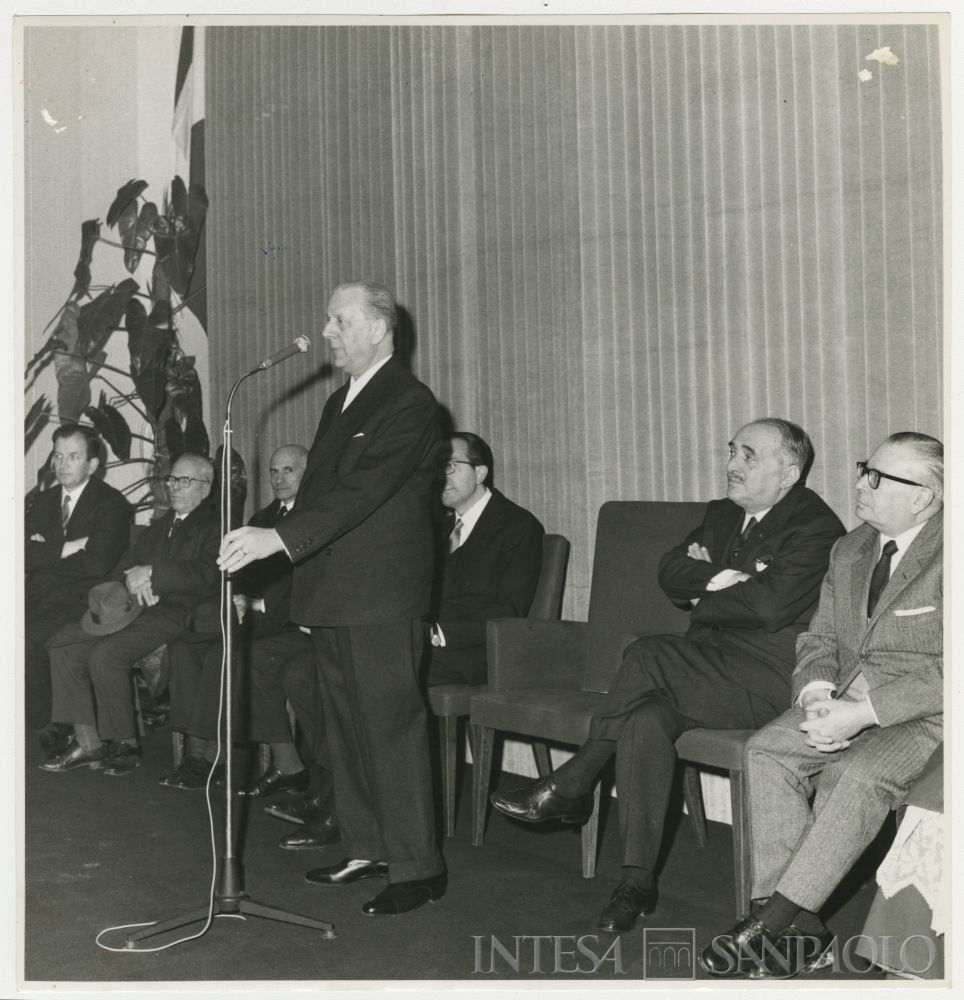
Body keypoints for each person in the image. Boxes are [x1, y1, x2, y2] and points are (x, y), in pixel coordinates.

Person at [490, 418, 845, 932]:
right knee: (644, 721)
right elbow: (670, 573)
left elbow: (769, 608)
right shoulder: (722, 514)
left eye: (749, 455)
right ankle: (636, 881)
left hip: (764, 681)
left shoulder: (816, 527)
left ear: (788, 472)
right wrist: (726, 578)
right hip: (701, 666)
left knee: (650, 651)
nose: (732, 465)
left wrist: (709, 590)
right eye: (732, 451)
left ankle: (576, 778)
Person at [218, 279, 446, 916]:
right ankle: (367, 844)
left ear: (379, 328)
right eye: (328, 321)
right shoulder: (343, 401)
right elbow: (321, 495)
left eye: (339, 321)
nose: (326, 333)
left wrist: (278, 540)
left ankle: (419, 866)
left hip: (381, 595)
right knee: (345, 729)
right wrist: (272, 544)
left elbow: (360, 495)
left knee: (391, 730)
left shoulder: (411, 403)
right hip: (335, 592)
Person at [699, 432, 943, 980]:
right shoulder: (851, 547)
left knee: (853, 775)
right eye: (865, 468)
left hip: (930, 716)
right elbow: (820, 639)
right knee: (767, 750)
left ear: (923, 497)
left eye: (878, 478)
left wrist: (862, 713)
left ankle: (772, 922)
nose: (860, 483)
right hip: (844, 699)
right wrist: (816, 696)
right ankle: (804, 936)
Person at [41, 454, 219, 777]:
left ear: (205, 489)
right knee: (62, 643)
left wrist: (154, 575)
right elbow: (124, 563)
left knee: (106, 655)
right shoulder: (161, 524)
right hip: (136, 607)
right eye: (172, 479)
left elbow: (208, 574)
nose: (174, 487)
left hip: (179, 612)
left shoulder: (215, 526)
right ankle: (88, 742)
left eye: (184, 481)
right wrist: (134, 579)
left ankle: (125, 745)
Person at [160, 445, 313, 791]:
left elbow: (301, 584)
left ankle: (217, 758)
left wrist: (255, 604)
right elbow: (239, 571)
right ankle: (196, 754)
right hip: (253, 617)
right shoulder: (261, 520)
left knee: (222, 653)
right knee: (187, 645)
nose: (279, 478)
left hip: (290, 621)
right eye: (274, 471)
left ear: (308, 472)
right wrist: (237, 598)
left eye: (288, 470)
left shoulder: (313, 519)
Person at [25, 425, 132, 742]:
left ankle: (45, 725)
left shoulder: (112, 504)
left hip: (83, 601)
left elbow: (97, 564)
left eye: (73, 456)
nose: (62, 464)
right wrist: (68, 547)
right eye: (58, 455)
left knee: (28, 639)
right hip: (39, 594)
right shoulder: (43, 500)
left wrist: (44, 553)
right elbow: (19, 553)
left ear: (93, 465)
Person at [424, 431, 544, 686]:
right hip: (430, 646)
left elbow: (508, 610)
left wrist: (439, 633)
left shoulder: (518, 525)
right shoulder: (436, 528)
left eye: (450, 465)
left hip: (477, 656)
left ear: (480, 473)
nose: (439, 476)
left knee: (382, 667)